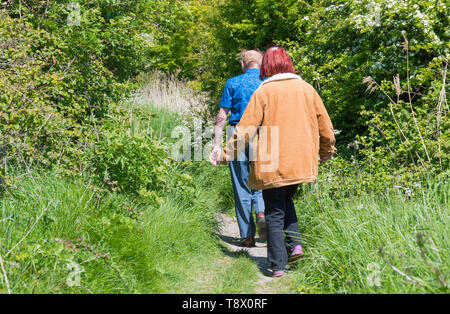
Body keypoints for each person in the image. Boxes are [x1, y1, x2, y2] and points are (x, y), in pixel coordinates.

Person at [211, 46, 337, 277]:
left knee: (275, 210)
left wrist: (226, 153)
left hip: (272, 160)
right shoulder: (307, 89)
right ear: (288, 64)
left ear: (267, 67)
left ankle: (277, 264)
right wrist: (327, 150)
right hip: (300, 161)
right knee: (286, 201)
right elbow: (325, 124)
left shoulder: (264, 92)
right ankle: (295, 245)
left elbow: (246, 129)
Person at [209, 50, 267, 247]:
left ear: (244, 63)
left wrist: (216, 145)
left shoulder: (233, 82)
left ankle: (247, 236)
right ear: (261, 63)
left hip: (237, 133)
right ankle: (261, 212)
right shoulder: (267, 82)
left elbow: (221, 116)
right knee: (261, 179)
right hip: (264, 132)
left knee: (241, 185)